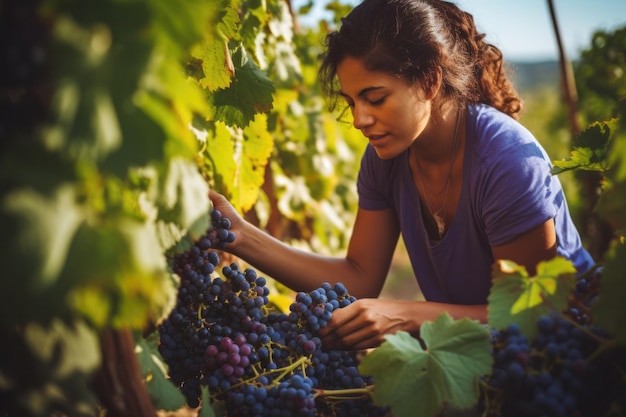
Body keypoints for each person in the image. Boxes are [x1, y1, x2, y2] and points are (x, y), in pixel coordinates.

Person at [209, 0, 595, 350]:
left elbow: (536, 314)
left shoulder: (507, 161)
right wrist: (239, 235)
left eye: (375, 98)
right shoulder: (384, 160)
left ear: (430, 80)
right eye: (351, 101)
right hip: (479, 356)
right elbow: (359, 279)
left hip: (576, 355)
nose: (360, 119)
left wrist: (409, 316)